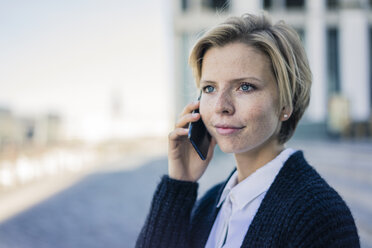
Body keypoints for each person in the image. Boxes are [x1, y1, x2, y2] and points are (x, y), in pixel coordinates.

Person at [136, 13, 360, 248]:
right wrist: (179, 184)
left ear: (285, 104)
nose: (221, 106)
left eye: (245, 87)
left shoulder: (320, 216)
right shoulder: (210, 204)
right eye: (210, 88)